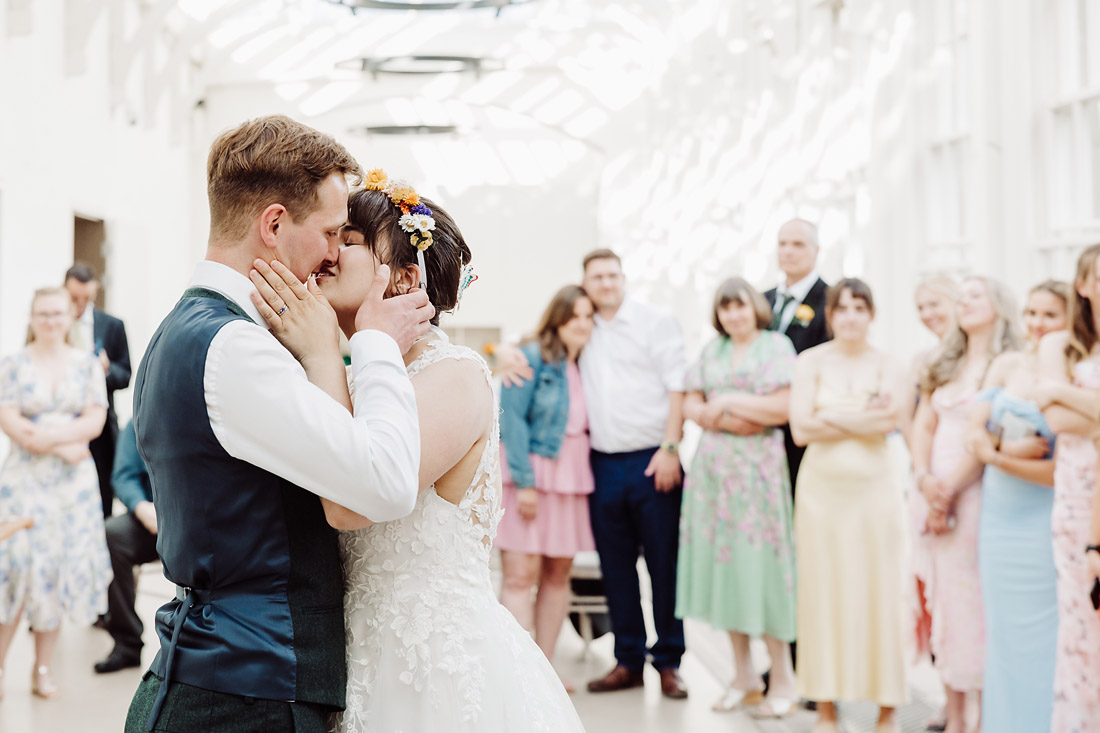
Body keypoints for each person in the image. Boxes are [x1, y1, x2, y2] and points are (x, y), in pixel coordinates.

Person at [123, 116, 433, 733]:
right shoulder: (236, 350)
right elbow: (383, 484)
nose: (330, 254)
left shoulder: (185, 331)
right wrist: (374, 344)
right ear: (272, 224)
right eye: (327, 232)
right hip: (244, 700)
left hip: (221, 684)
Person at [253, 170, 584, 731]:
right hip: (350, 651)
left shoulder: (454, 375)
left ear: (406, 279)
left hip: (433, 666)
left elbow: (352, 504)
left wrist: (324, 357)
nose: (328, 254)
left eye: (350, 241)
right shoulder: (357, 377)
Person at [494, 250, 690, 698]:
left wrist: (671, 447)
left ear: (623, 277)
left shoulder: (650, 323)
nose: (604, 285)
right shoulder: (563, 343)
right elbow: (515, 387)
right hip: (590, 466)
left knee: (662, 563)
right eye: (595, 278)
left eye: (611, 275)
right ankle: (626, 660)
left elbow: (678, 384)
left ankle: (670, 661)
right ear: (583, 285)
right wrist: (503, 351)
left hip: (647, 459)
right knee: (613, 568)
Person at [789, 278, 909, 733]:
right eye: (843, 308)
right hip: (822, 494)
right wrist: (865, 416)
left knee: (880, 590)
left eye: (861, 307)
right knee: (822, 593)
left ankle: (887, 709)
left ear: (872, 313)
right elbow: (801, 430)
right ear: (830, 315)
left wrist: (831, 416)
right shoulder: (809, 362)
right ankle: (825, 707)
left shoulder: (889, 363)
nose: (851, 316)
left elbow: (894, 419)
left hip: (875, 491)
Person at [676, 278, 797, 717]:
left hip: (758, 476)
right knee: (726, 570)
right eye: (725, 308)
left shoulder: (777, 347)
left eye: (740, 306)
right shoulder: (714, 350)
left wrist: (726, 400)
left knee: (763, 569)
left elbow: (782, 409)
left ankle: (782, 676)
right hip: (715, 476)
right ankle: (743, 675)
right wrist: (726, 414)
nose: (734, 315)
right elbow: (692, 404)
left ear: (755, 308)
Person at [911, 275, 1023, 733]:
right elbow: (923, 423)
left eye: (975, 295)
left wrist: (950, 490)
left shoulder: (1009, 361)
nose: (964, 303)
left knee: (975, 602)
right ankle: (953, 712)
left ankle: (983, 716)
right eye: (962, 297)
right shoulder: (943, 360)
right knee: (946, 603)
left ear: (998, 304)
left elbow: (989, 437)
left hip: (978, 494)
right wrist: (924, 480)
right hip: (932, 487)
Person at [0, 286, 113, 700]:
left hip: (70, 489)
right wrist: (60, 443)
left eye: (56, 313)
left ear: (69, 318)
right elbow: (9, 418)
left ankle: (41, 669)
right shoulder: (13, 363)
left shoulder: (86, 365)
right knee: (13, 568)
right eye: (42, 313)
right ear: (31, 318)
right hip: (23, 482)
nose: (49, 320)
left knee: (51, 573)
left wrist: (44, 436)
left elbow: (94, 421)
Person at [966, 280, 1067, 733]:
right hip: (999, 519)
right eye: (1032, 313)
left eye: (1050, 315)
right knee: (1002, 637)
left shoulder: (1073, 370)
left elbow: (1059, 469)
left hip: (1046, 517)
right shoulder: (1007, 363)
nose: (1037, 324)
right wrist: (998, 452)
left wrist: (999, 457)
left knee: (1049, 637)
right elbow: (975, 431)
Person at [497, 284, 597, 691]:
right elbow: (512, 420)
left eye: (589, 317)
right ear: (558, 319)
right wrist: (525, 482)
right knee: (521, 575)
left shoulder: (589, 363)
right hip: (532, 474)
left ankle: (546, 668)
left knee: (558, 575)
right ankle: (517, 672)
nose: (583, 325)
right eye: (575, 316)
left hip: (572, 480)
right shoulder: (532, 357)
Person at [1035, 244, 1100, 731]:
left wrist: (1062, 390)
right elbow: (1055, 419)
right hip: (1078, 497)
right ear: (1083, 284)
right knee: (1081, 619)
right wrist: (1061, 400)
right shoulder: (1059, 345)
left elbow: (1061, 404)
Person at [764, 218, 831, 487]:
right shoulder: (760, 301)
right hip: (761, 431)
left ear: (816, 251)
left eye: (798, 244)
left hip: (805, 431)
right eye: (782, 244)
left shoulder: (832, 301)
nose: (788, 251)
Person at [64, 263, 131, 518]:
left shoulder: (112, 325)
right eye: (74, 298)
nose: (80, 305)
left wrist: (106, 369)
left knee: (102, 494)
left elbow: (125, 374)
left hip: (100, 430)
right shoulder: (56, 324)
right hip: (64, 423)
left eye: (86, 299)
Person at [94, 419, 158, 674]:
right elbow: (124, 476)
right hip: (151, 518)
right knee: (112, 534)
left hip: (199, 518)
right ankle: (127, 643)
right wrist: (143, 508)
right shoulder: (139, 422)